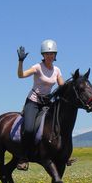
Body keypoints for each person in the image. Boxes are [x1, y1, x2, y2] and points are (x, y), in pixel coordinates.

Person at [16, 39, 64, 170]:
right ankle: (22, 157)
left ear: (55, 55)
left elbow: (63, 87)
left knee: (60, 125)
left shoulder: (57, 70)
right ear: (43, 55)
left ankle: (62, 154)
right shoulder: (37, 67)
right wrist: (21, 61)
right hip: (33, 102)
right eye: (47, 54)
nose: (50, 56)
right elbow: (21, 75)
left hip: (48, 102)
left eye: (52, 54)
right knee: (30, 128)